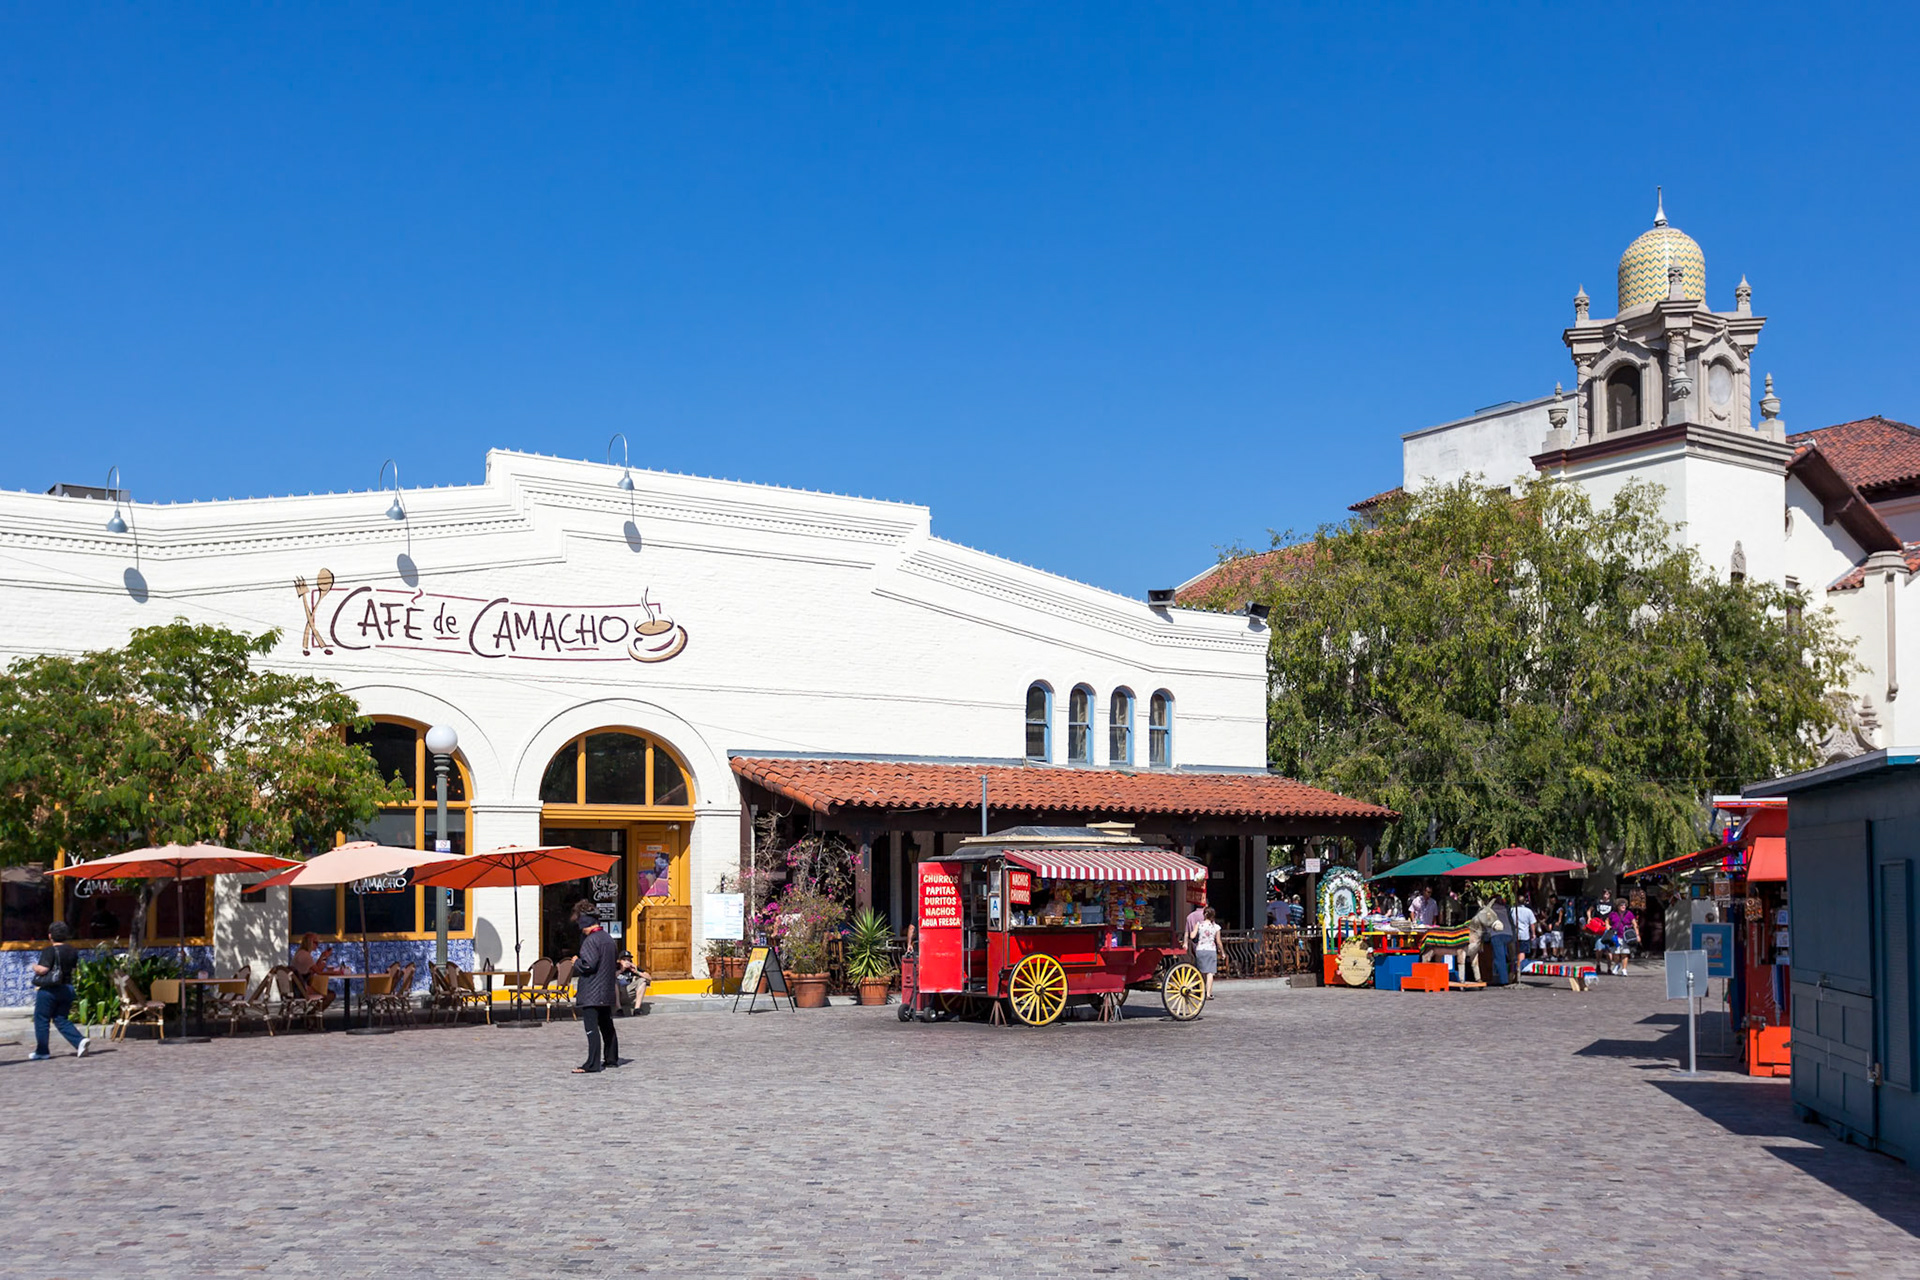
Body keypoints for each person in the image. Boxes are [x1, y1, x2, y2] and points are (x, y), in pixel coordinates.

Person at [572, 901, 620, 1073]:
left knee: (592, 1028)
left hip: (592, 991)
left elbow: (588, 965)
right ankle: (611, 1058)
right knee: (607, 1026)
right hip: (605, 989)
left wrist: (576, 962)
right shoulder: (608, 939)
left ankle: (592, 1063)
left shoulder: (591, 941)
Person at [30, 921, 88, 1061]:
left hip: (50, 989)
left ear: (50, 936)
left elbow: (43, 969)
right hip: (67, 988)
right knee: (61, 1018)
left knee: (42, 1019)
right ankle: (79, 1040)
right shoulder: (72, 951)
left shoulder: (49, 951)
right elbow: (72, 969)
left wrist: (34, 967)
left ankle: (42, 1051)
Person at [291, 932, 339, 1011]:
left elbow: (315, 970)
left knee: (327, 992)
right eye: (316, 942)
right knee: (330, 995)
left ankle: (312, 1015)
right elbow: (319, 972)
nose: (317, 945)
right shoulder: (305, 955)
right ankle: (313, 1015)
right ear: (310, 943)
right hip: (301, 990)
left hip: (298, 987)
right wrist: (334, 972)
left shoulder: (301, 953)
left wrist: (323, 958)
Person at [1474, 897, 1513, 986]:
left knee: (1499, 959)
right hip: (1508, 933)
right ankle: (1508, 977)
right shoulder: (1504, 908)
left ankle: (1503, 980)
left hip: (1497, 934)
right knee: (1507, 957)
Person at [1188, 906, 1223, 1003]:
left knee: (1202, 971)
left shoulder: (1199, 924)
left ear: (1204, 914)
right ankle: (1208, 993)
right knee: (1210, 973)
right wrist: (1222, 952)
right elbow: (1218, 941)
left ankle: (1202, 990)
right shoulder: (1216, 927)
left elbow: (1192, 936)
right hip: (1211, 950)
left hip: (1200, 949)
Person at [1512, 896, 1538, 974]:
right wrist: (1533, 933)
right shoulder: (1528, 911)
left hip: (1514, 934)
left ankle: (1516, 966)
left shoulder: (1512, 910)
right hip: (1524, 934)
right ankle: (1520, 967)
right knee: (1522, 951)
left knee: (1515, 951)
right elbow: (1532, 923)